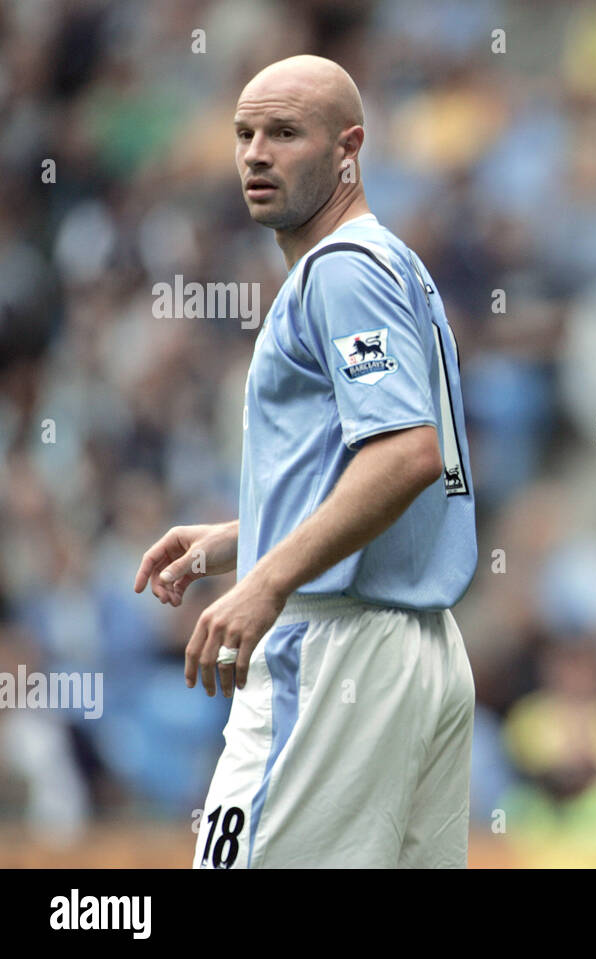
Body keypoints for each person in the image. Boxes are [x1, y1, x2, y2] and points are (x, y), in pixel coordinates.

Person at [132, 55, 477, 868]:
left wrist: (267, 578)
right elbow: (381, 471)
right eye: (245, 134)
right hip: (418, 651)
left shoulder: (342, 272)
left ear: (349, 148)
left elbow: (405, 456)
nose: (256, 153)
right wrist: (236, 541)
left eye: (284, 133)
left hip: (336, 653)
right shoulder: (394, 265)